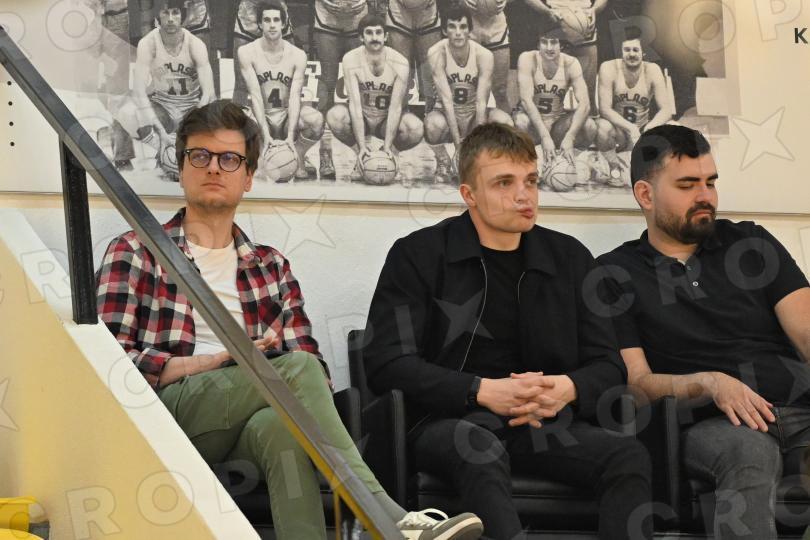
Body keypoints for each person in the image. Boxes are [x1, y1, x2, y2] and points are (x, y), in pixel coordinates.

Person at [96, 99, 484, 540]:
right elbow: (109, 366)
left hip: (243, 425)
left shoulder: (270, 267)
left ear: (248, 177)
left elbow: (313, 371)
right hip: (165, 420)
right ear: (182, 168)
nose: (214, 168)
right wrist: (215, 362)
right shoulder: (136, 251)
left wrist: (263, 365)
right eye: (200, 156)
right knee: (293, 370)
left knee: (281, 428)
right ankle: (389, 520)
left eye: (229, 159)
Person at [362, 122, 653, 539]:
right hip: (447, 420)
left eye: (530, 181)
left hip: (540, 423)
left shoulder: (569, 258)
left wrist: (566, 388)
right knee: (477, 448)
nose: (523, 195)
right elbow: (386, 361)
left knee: (627, 456)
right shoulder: (419, 254)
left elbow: (609, 364)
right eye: (504, 183)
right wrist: (479, 390)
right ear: (469, 194)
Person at [597, 124, 810, 539]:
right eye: (687, 185)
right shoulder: (613, 273)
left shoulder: (751, 243)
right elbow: (637, 383)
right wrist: (710, 383)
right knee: (749, 454)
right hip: (716, 424)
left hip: (797, 407)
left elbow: (806, 333)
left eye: (710, 182)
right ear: (645, 194)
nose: (705, 196)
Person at [111, 0, 215, 179]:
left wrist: (194, 122)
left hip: (190, 110)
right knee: (122, 110)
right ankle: (124, 163)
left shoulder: (195, 44)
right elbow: (139, 92)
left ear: (183, 16)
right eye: (165, 13)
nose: (170, 19)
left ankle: (174, 153)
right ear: (157, 17)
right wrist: (159, 131)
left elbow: (209, 93)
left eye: (175, 13)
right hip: (163, 109)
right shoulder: (148, 43)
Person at [325, 13, 424, 183]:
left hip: (385, 120)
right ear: (361, 37)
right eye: (369, 33)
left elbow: (396, 108)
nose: (374, 37)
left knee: (415, 128)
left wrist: (388, 146)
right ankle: (363, 156)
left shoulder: (400, 62)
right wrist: (362, 147)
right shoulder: (350, 59)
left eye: (378, 32)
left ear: (386, 36)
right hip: (362, 116)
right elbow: (355, 105)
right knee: (335, 116)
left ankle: (390, 155)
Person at [424, 7, 513, 184]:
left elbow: (481, 102)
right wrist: (459, 146)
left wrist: (474, 145)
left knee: (505, 122)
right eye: (452, 27)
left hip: (474, 114)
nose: (458, 32)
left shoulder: (484, 55)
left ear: (470, 30)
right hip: (446, 113)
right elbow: (447, 101)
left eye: (463, 27)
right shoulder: (436, 52)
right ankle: (443, 161)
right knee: (432, 125)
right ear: (444, 30)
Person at [238, 0, 323, 181]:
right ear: (259, 24)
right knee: (235, 119)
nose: (272, 25)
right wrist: (266, 134)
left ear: (284, 24)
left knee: (315, 119)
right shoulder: (246, 52)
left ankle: (297, 154)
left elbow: (295, 97)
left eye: (276, 20)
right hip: (262, 115)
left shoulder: (298, 55)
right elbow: (255, 95)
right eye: (267, 20)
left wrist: (291, 136)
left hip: (286, 116)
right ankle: (261, 154)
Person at [594, 31, 671, 176]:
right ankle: (614, 168)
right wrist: (630, 128)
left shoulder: (652, 70)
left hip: (642, 129)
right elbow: (604, 109)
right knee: (601, 127)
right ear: (620, 52)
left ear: (643, 53)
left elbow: (666, 110)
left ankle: (658, 169)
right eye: (627, 50)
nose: (631, 54)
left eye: (636, 50)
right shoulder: (608, 68)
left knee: (673, 127)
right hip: (619, 132)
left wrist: (649, 128)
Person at [513, 30, 595, 165]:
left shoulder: (571, 63)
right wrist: (544, 136)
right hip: (533, 126)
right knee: (520, 121)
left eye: (554, 42)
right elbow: (526, 101)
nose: (549, 48)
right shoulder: (527, 58)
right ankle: (529, 160)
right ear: (538, 44)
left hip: (556, 124)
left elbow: (585, 105)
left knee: (590, 126)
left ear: (561, 44)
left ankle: (572, 161)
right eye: (544, 42)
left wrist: (570, 137)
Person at [312, 0, 369, 180]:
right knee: (327, 86)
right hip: (326, 16)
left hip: (357, 16)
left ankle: (363, 155)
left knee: (362, 86)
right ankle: (325, 154)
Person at [231, 0, 298, 107]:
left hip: (276, 12)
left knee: (289, 78)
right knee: (241, 81)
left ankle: (287, 115)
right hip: (248, 17)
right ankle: (236, 115)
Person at [385, 0, 442, 112]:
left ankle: (431, 111)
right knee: (400, 67)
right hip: (398, 10)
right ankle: (401, 112)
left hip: (428, 10)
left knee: (430, 67)